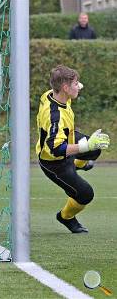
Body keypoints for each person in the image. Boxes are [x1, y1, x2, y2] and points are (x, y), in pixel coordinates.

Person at [36, 65, 110, 233]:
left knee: (95, 150)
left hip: (66, 137)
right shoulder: (56, 117)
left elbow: (64, 86)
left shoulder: (51, 94)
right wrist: (86, 145)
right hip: (54, 162)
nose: (79, 86)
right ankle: (65, 217)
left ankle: (78, 163)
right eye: (76, 84)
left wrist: (75, 85)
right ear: (65, 88)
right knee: (85, 194)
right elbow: (56, 149)